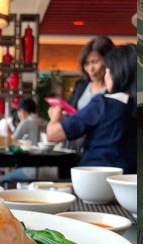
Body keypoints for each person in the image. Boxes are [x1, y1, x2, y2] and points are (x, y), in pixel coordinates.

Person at [47, 44, 136, 174]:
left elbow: (53, 134)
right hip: (125, 180)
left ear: (117, 73)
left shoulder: (103, 103)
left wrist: (54, 118)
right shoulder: (135, 108)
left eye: (107, 70)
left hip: (92, 179)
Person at [64, 36, 115, 153]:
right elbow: (69, 109)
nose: (90, 68)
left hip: (102, 147)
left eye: (95, 62)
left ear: (108, 60)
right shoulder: (80, 85)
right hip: (75, 146)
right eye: (87, 64)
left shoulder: (115, 89)